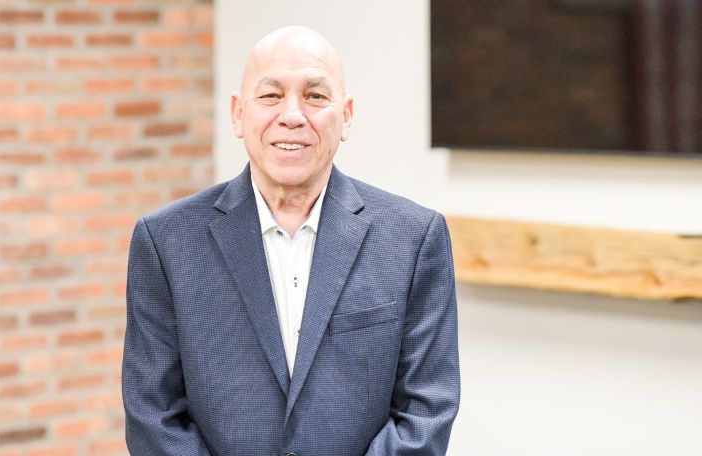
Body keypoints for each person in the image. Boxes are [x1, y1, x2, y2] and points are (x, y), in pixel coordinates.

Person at [122, 26, 460, 455]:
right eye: (270, 95)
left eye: (315, 96)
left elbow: (427, 410)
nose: (293, 115)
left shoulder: (414, 239)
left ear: (346, 116)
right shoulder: (165, 243)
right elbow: (153, 416)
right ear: (238, 114)